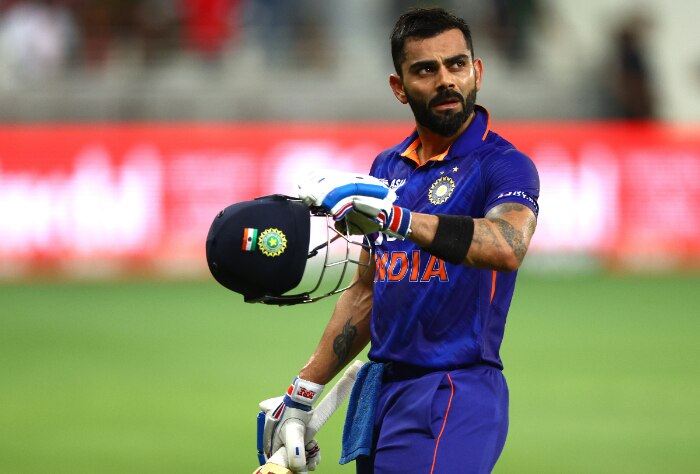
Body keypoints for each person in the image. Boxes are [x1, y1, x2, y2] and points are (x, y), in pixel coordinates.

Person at [258, 7, 540, 473]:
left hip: (453, 393)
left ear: (478, 72)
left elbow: (507, 244)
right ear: (399, 87)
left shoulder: (503, 164)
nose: (446, 79)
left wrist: (400, 218)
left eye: (457, 64)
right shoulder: (387, 168)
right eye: (426, 69)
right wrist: (302, 393)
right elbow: (369, 289)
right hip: (382, 392)